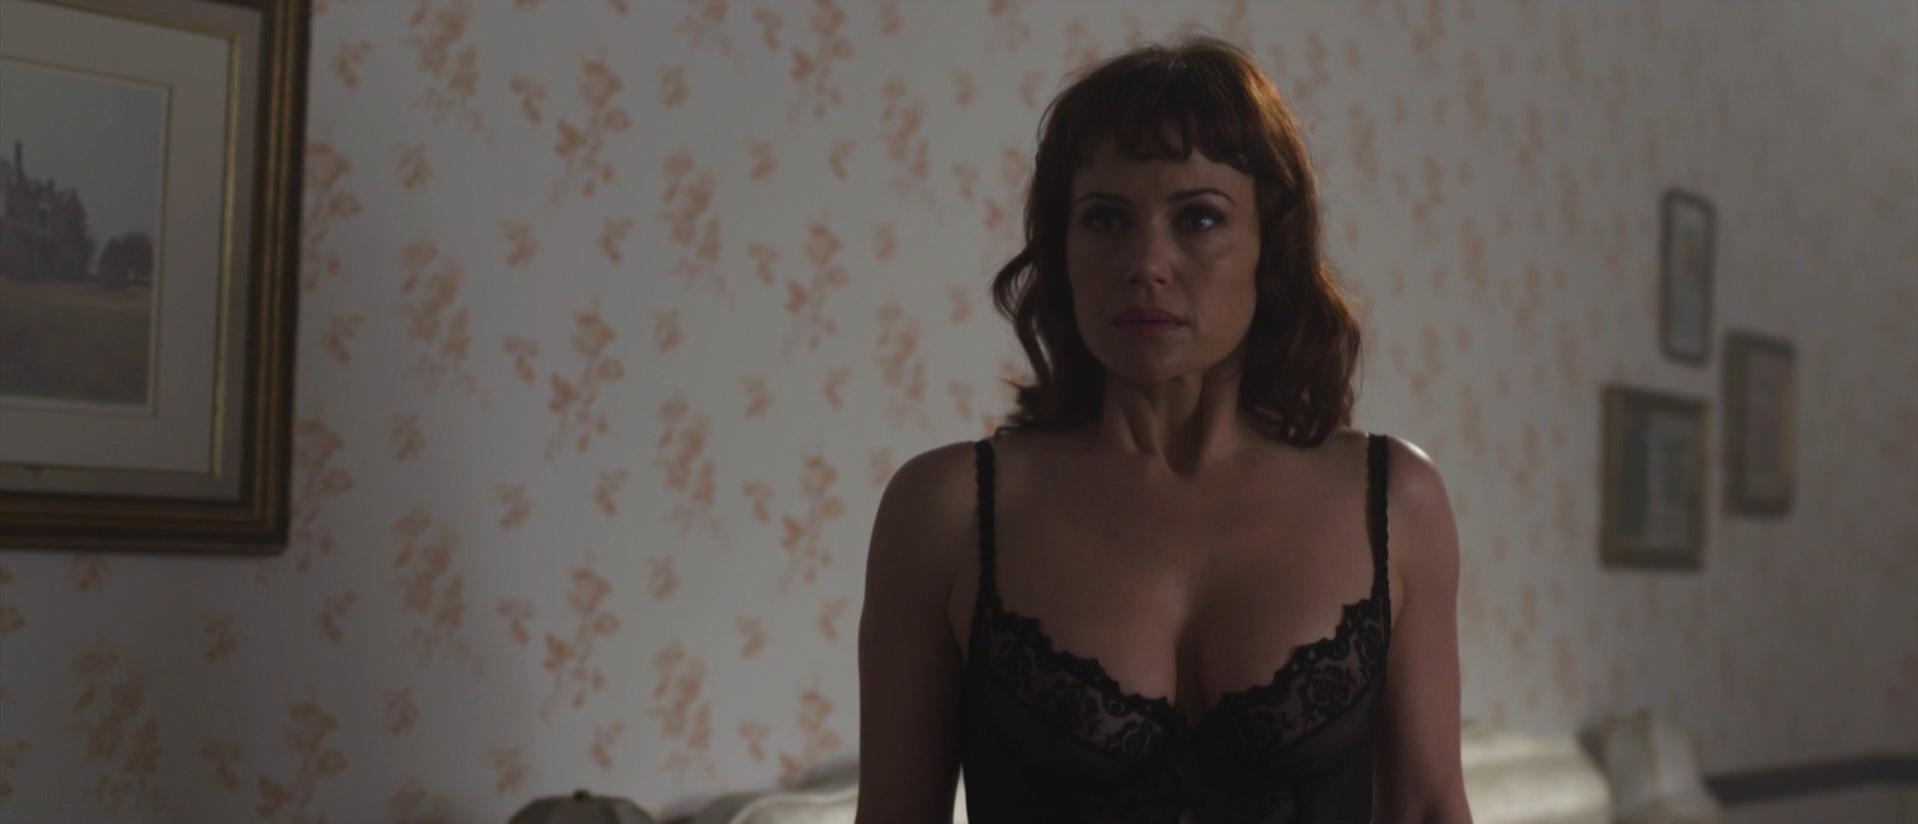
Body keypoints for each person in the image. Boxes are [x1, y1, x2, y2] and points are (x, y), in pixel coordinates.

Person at [856, 33, 1472, 824]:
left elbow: (1427, 807)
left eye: (1199, 218)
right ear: (1062, 249)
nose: (1146, 262)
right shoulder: (948, 512)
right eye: (1106, 219)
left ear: (1271, 247)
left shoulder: (1393, 502)